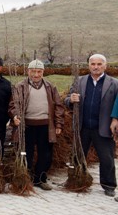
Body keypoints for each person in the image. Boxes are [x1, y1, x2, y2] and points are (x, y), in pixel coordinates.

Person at [65, 54, 118, 197]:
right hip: (82, 127)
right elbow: (67, 100)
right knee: (78, 155)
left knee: (106, 158)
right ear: (89, 65)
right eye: (93, 64)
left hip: (103, 126)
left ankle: (108, 185)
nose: (96, 67)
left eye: (99, 64)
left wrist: (115, 119)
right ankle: (76, 180)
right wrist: (71, 99)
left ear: (105, 66)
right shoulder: (80, 81)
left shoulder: (114, 83)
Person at [9, 59, 64, 190]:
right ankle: (26, 178)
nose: (36, 75)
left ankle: (40, 179)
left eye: (39, 72)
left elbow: (59, 106)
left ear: (43, 72)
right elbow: (13, 105)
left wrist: (59, 124)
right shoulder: (20, 86)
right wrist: (15, 116)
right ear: (28, 71)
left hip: (45, 126)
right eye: (33, 71)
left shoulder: (50, 87)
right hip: (27, 126)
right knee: (26, 153)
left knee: (46, 155)